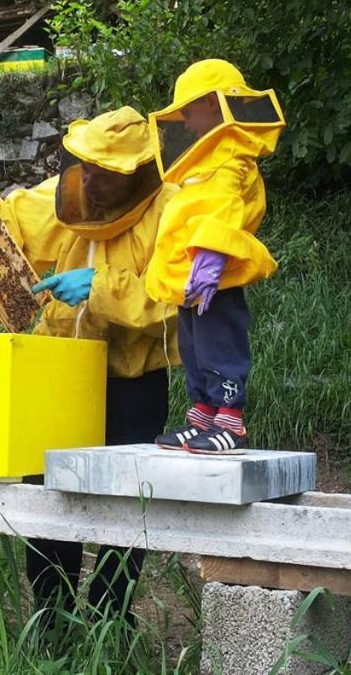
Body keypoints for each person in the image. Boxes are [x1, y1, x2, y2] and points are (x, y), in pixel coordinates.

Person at [0, 106, 178, 629]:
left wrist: (98, 289)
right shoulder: (64, 193)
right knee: (47, 496)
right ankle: (51, 615)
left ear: (134, 173)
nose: (89, 180)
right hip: (57, 373)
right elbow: (4, 232)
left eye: (103, 173)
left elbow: (171, 303)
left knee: (126, 505)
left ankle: (110, 616)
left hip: (131, 382)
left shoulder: (171, 212)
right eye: (85, 166)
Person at [144, 59, 285, 454]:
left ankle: (231, 422)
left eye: (188, 111)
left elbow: (224, 206)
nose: (185, 123)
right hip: (193, 274)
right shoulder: (203, 157)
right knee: (193, 346)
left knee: (220, 341)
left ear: (211, 102)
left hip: (215, 275)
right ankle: (203, 415)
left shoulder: (231, 155)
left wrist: (211, 256)